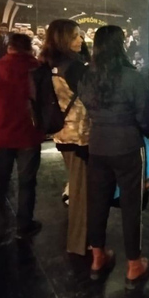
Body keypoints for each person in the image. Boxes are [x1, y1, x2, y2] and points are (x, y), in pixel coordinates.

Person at [79, 25, 149, 289]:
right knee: (132, 205)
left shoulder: (88, 76)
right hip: (127, 145)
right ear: (120, 45)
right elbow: (146, 116)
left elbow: (87, 107)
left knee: (97, 202)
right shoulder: (132, 76)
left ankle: (97, 257)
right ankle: (134, 264)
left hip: (97, 145)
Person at [0, 33, 43, 238]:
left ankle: (0, 215)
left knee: (2, 178)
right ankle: (24, 225)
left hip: (1, 132)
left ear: (9, 47)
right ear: (29, 47)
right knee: (27, 181)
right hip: (29, 133)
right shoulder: (38, 69)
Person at [40, 19, 91, 254]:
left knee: (76, 186)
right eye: (75, 36)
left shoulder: (48, 63)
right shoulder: (74, 67)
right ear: (63, 39)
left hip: (62, 133)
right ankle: (81, 244)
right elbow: (92, 98)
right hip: (80, 134)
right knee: (81, 192)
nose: (81, 40)